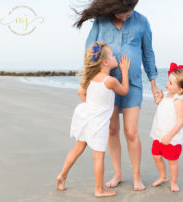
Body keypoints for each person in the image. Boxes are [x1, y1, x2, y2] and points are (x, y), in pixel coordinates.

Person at [73, 0, 163, 191]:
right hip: (106, 87)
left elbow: (148, 54)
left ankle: (137, 176)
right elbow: (90, 53)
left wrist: (154, 84)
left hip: (133, 84)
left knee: (131, 132)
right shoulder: (101, 22)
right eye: (122, 14)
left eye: (129, 14)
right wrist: (85, 84)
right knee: (112, 130)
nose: (126, 17)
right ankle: (118, 174)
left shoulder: (142, 22)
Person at [56, 42, 130, 197]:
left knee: (78, 148)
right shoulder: (109, 80)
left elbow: (80, 93)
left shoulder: (91, 78)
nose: (115, 56)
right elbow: (124, 91)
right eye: (112, 55)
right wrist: (124, 71)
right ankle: (99, 190)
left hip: (86, 116)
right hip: (98, 123)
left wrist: (91, 107)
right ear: (105, 62)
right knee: (99, 156)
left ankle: (62, 175)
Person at [150, 63, 183, 192]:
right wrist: (158, 98)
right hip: (159, 134)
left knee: (172, 161)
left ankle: (173, 182)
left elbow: (180, 121)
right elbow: (159, 104)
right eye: (168, 81)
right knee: (156, 156)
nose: (167, 84)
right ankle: (163, 176)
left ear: (180, 90)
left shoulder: (178, 101)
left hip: (171, 138)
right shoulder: (167, 95)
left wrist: (169, 136)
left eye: (171, 83)